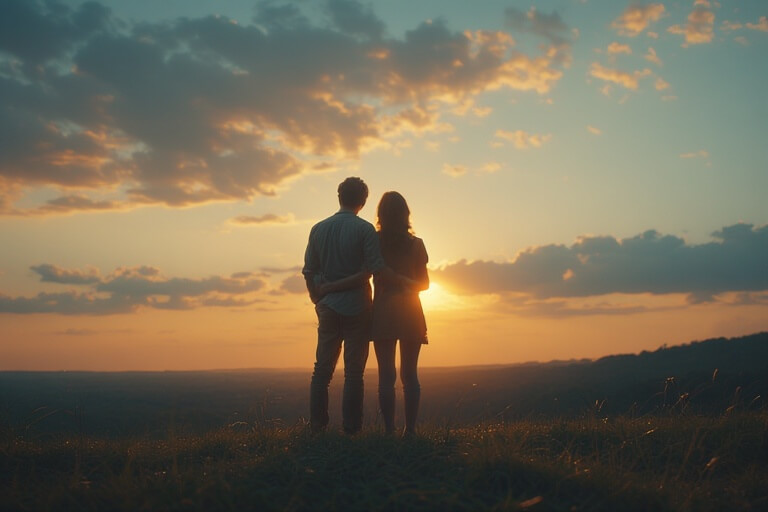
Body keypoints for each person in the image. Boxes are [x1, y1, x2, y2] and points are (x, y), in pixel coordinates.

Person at [302, 177, 385, 434]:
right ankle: (351, 430)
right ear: (363, 201)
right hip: (357, 306)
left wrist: (318, 297)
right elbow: (371, 270)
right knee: (353, 373)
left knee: (321, 370)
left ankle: (317, 426)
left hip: (327, 306)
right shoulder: (364, 230)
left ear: (339, 197)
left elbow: (308, 270)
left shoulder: (318, 228)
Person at [370, 191, 429, 436]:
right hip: (410, 311)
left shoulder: (373, 242)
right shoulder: (416, 244)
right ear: (406, 213)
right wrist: (406, 282)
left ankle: (388, 431)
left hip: (383, 310)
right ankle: (410, 430)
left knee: (386, 375)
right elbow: (424, 284)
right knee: (409, 374)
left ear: (380, 215)